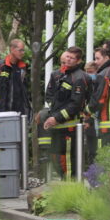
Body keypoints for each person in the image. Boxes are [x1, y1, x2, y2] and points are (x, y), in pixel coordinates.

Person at [43, 46, 88, 178]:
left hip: (69, 128)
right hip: (56, 127)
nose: (68, 59)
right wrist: (53, 113)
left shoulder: (79, 78)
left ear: (78, 61)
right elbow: (49, 95)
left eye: (72, 58)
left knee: (67, 161)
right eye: (67, 56)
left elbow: (75, 105)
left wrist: (56, 118)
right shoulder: (56, 75)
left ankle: (70, 190)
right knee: (56, 158)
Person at [0, 39, 31, 116]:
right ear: (12, 49)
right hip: (2, 113)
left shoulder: (23, 68)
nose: (23, 53)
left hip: (20, 113)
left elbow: (25, 90)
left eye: (23, 50)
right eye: (20, 50)